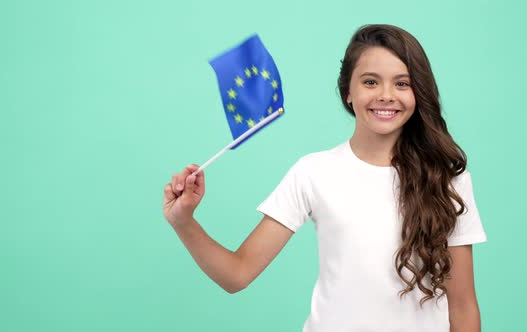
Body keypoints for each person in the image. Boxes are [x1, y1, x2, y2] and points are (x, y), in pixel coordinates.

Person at [162, 24, 487, 332]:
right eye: (370, 82)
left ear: (418, 92)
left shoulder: (447, 180)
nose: (386, 95)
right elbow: (237, 274)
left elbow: (463, 308)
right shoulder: (313, 172)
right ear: (348, 91)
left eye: (402, 83)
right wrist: (183, 222)